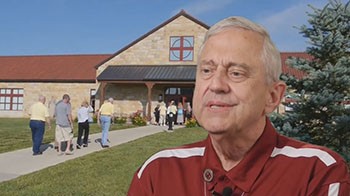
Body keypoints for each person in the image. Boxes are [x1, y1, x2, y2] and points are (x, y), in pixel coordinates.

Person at [128, 16, 350, 195]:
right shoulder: (159, 172)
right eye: (206, 70)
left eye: (236, 73)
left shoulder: (317, 173)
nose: (216, 85)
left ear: (272, 97)